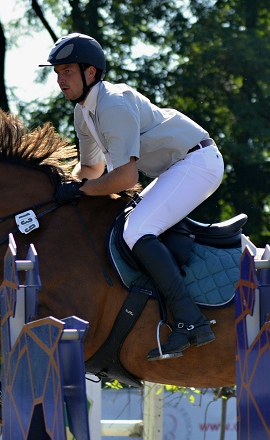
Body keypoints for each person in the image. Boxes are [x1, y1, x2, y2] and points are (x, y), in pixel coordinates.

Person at [40, 33, 225, 360]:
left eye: (67, 70)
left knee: (137, 230)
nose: (59, 79)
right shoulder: (83, 113)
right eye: (57, 72)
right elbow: (91, 170)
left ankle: (189, 320)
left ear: (91, 73)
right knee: (129, 225)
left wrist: (79, 190)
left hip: (197, 162)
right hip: (176, 168)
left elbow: (126, 178)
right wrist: (58, 199)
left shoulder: (113, 103)